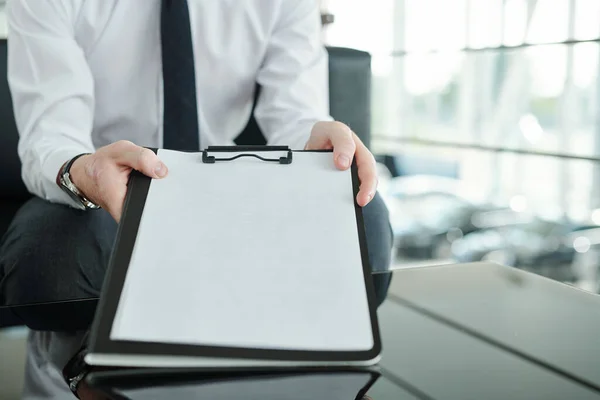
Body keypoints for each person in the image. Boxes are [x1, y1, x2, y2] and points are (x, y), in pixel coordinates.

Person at [0, 0, 392, 397]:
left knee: (366, 225)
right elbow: (51, 135)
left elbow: (295, 119)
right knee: (47, 260)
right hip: (103, 188)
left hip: (224, 184)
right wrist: (83, 170)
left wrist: (318, 148)